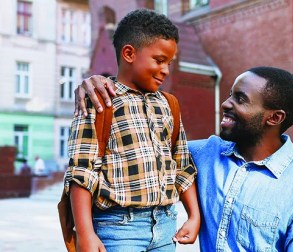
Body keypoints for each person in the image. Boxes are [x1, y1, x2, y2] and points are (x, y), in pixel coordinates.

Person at [75, 66, 293, 251]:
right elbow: (135, 146)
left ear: (274, 117)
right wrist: (102, 83)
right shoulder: (204, 155)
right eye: (229, 95)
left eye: (240, 99)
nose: (226, 103)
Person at [64, 9, 200, 252]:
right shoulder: (99, 102)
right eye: (159, 60)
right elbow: (81, 173)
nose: (166, 70)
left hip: (165, 225)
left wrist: (193, 215)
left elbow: (182, 164)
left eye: (169, 63)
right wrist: (85, 234)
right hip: (118, 228)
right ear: (129, 53)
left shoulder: (169, 104)